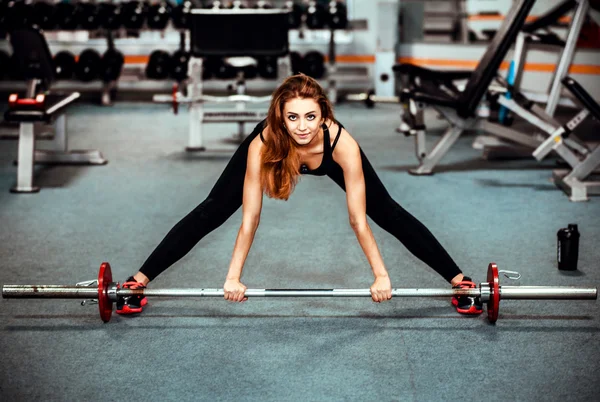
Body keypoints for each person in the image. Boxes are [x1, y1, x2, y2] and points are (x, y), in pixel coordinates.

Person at [116, 74, 482, 316]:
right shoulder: (264, 142)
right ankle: (138, 281)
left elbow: (357, 218)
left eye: (310, 116)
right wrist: (233, 277)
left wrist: (381, 275)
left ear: (324, 115)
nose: (302, 127)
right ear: (280, 117)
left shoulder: (343, 145)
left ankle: (459, 280)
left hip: (330, 157)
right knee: (213, 209)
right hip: (275, 152)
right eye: (292, 118)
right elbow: (250, 217)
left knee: (386, 210)